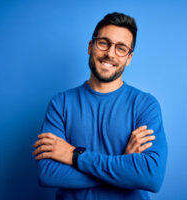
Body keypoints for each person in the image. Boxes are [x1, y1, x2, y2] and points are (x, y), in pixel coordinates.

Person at [33, 12, 168, 200]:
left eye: (121, 48)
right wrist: (123, 166)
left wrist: (75, 155)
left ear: (129, 58)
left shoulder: (145, 105)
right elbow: (47, 173)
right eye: (104, 43)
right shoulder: (61, 103)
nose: (110, 53)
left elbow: (151, 177)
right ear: (91, 46)